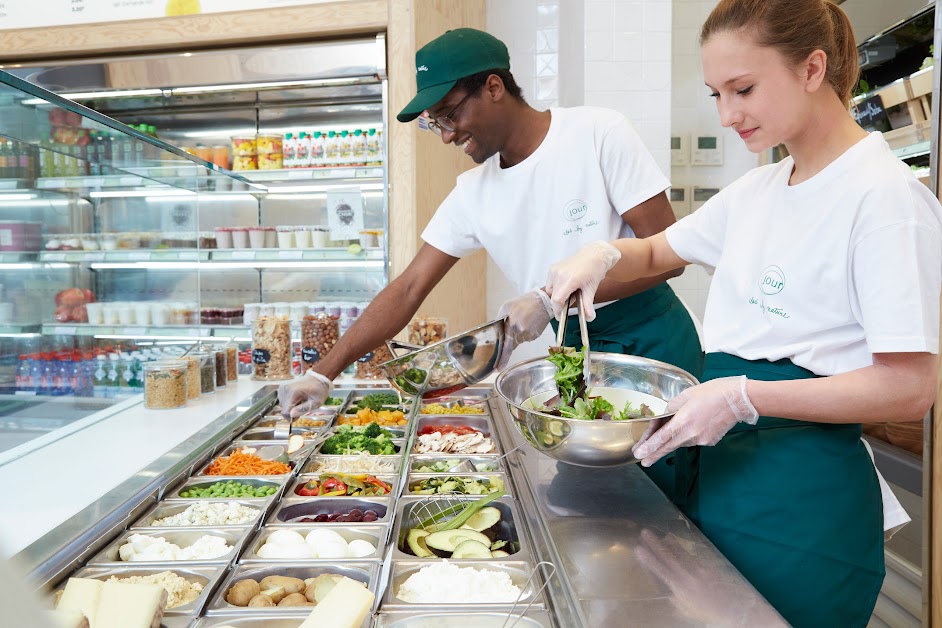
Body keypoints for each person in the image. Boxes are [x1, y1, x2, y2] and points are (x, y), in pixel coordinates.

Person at [544, 0, 941, 625]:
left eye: (744, 89)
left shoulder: (884, 200)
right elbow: (653, 248)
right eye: (716, 94)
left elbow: (911, 386)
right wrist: (600, 253)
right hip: (723, 472)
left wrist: (743, 398)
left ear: (812, 68)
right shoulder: (760, 190)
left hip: (801, 503)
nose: (728, 115)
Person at [279, 27, 703, 493]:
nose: (445, 135)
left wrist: (548, 300)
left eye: (448, 115)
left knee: (670, 500)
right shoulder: (473, 194)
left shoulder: (597, 133)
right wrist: (323, 372)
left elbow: (670, 257)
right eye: (433, 123)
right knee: (597, 502)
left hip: (652, 348)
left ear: (494, 87)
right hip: (574, 363)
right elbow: (408, 288)